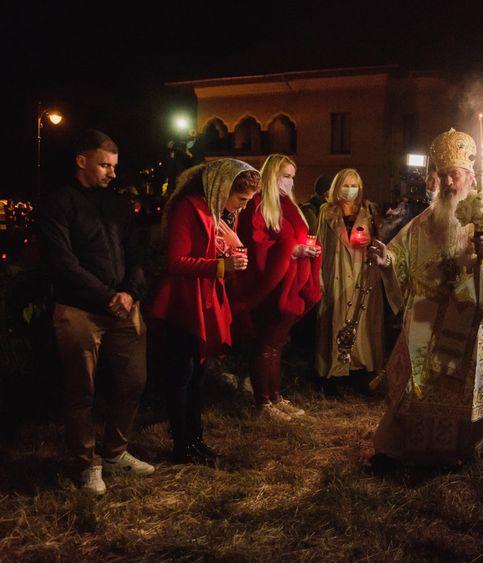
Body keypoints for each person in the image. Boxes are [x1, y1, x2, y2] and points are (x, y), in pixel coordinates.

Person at [368, 128, 483, 467]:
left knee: (463, 390)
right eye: (441, 175)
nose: (447, 182)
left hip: (466, 318)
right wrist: (387, 261)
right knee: (413, 386)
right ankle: (400, 450)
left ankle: (459, 452)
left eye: (453, 174)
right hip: (425, 316)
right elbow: (402, 255)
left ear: (470, 176)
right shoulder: (426, 219)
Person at [37, 130, 154, 494]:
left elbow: (137, 254)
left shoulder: (117, 205)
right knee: (80, 389)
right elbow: (62, 262)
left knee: (133, 380)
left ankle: (116, 452)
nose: (112, 174)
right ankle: (86, 462)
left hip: (124, 309)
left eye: (114, 166)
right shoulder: (58, 203)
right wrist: (108, 296)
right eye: (105, 165)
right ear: (82, 160)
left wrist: (130, 293)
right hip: (79, 310)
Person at [149, 159, 260, 464]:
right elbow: (175, 261)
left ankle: (195, 440)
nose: (244, 206)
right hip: (183, 302)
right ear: (221, 188)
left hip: (204, 297)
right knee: (183, 374)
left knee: (196, 374)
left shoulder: (215, 212)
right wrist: (222, 265)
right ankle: (183, 443)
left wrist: (226, 257)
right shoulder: (189, 208)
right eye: (241, 199)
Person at [231, 154, 321, 420]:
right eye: (285, 176)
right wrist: (290, 250)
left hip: (290, 284)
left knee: (276, 344)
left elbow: (297, 237)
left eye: (292, 177)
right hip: (270, 288)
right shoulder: (257, 205)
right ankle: (264, 402)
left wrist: (307, 250)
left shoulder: (288, 205)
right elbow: (256, 245)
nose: (290, 182)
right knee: (265, 344)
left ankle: (275, 397)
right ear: (272, 176)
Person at [314, 168, 384, 389]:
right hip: (335, 270)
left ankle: (362, 369)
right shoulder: (327, 212)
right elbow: (319, 243)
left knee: (362, 322)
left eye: (354, 186)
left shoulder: (369, 211)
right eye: (346, 185)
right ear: (337, 187)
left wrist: (371, 243)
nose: (350, 190)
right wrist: (318, 275)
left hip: (363, 270)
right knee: (336, 318)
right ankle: (335, 371)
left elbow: (382, 240)